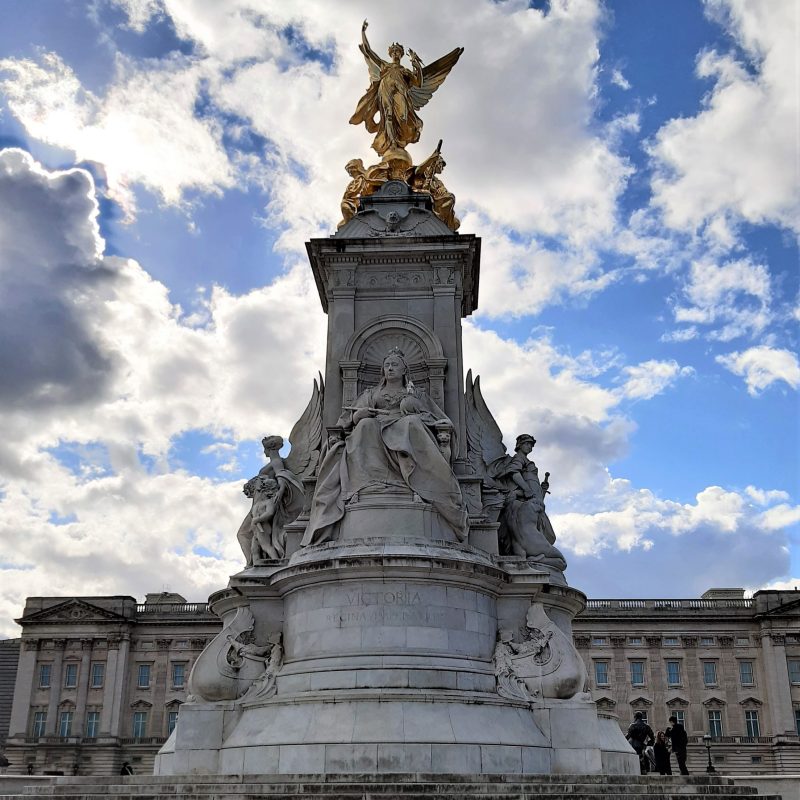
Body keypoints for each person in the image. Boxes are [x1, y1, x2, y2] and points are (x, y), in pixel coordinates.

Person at [303, 348, 468, 545]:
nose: (390, 368)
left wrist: (413, 410)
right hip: (376, 427)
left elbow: (436, 417)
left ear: (404, 370)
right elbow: (348, 419)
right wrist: (358, 416)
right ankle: (369, 484)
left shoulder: (417, 394)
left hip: (405, 427)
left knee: (412, 425)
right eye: (387, 365)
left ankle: (415, 481)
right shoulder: (371, 393)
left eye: (395, 365)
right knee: (365, 426)